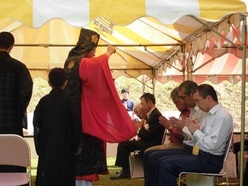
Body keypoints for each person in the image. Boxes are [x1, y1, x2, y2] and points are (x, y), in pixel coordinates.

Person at [64, 28, 136, 186]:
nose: (95, 53)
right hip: (81, 116)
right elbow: (95, 66)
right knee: (84, 150)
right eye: (94, 50)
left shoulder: (72, 60)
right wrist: (108, 53)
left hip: (72, 113)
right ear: (86, 48)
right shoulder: (79, 61)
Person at [144, 83, 233, 186]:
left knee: (165, 164)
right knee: (159, 160)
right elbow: (198, 138)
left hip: (210, 159)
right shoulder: (209, 114)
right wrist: (188, 130)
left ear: (208, 98)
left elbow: (213, 145)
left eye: (198, 101)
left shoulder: (222, 116)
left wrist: (194, 131)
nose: (197, 105)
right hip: (200, 153)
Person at [143, 80, 205, 186]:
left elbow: (196, 138)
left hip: (188, 148)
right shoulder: (193, 111)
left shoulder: (205, 112)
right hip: (188, 147)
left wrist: (172, 127)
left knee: (160, 160)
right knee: (151, 155)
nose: (180, 102)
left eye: (182, 98)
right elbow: (191, 135)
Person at [33, 68, 81, 186]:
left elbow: (36, 126)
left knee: (47, 178)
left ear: (49, 83)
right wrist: (75, 146)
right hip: (67, 147)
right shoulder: (70, 101)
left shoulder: (43, 102)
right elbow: (77, 125)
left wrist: (39, 147)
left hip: (47, 146)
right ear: (66, 82)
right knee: (65, 177)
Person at [110, 93, 165, 179]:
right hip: (146, 141)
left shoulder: (156, 115)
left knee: (123, 144)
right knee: (124, 143)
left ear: (149, 102)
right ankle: (125, 169)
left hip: (150, 144)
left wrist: (139, 129)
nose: (142, 107)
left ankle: (125, 171)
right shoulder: (152, 114)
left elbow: (150, 134)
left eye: (143, 104)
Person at [0, 31, 33, 172]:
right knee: (12, 163)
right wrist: (18, 110)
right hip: (11, 124)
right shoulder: (18, 67)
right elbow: (26, 92)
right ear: (11, 46)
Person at [146, 87, 190, 151]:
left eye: (177, 103)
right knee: (148, 152)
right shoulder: (183, 112)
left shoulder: (189, 113)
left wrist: (170, 126)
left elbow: (184, 136)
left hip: (179, 145)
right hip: (173, 143)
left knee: (150, 153)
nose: (176, 106)